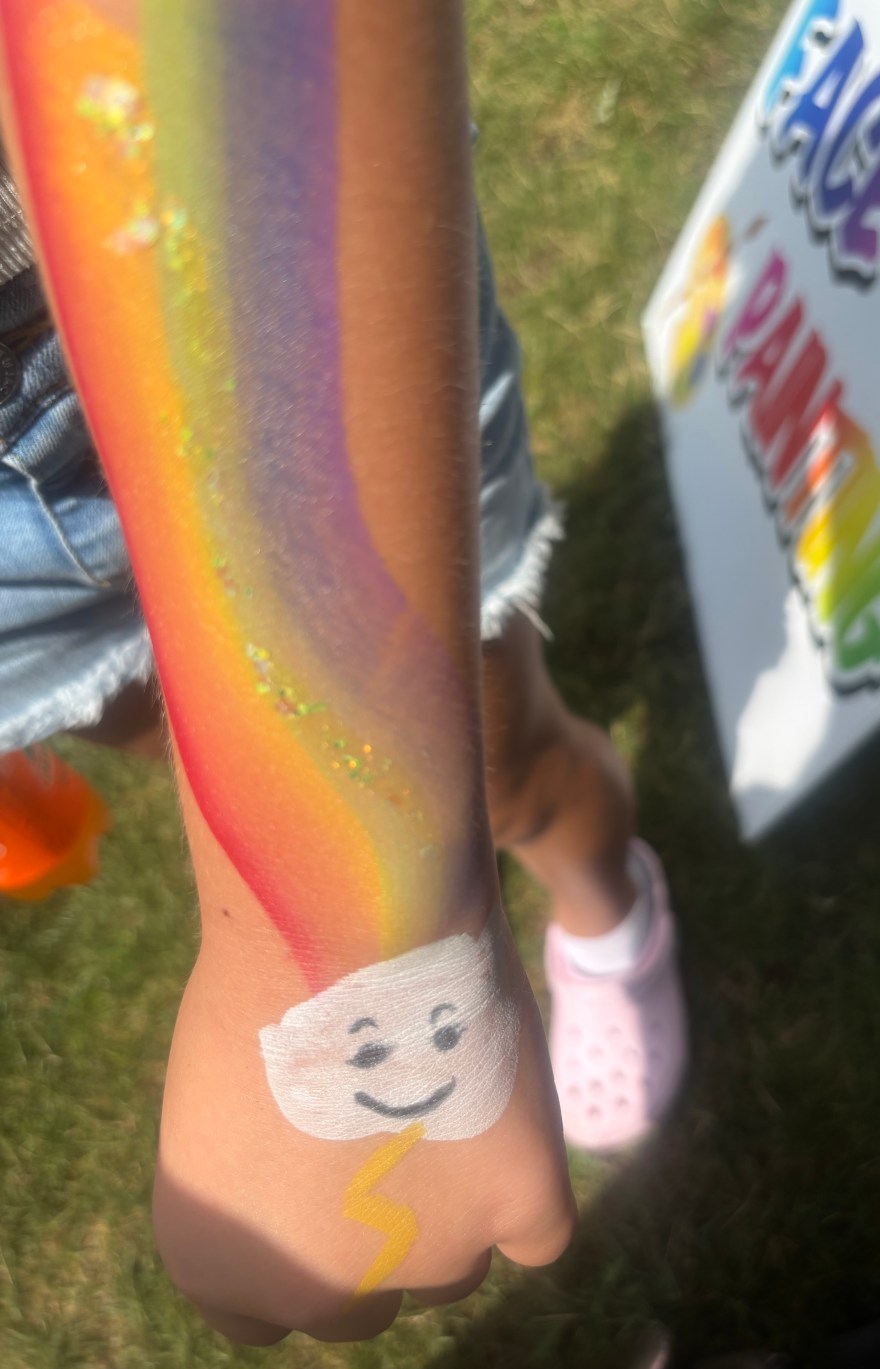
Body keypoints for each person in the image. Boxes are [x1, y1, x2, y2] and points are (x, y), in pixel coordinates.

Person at [0, 0, 687, 1344]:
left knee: (504, 765)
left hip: (226, 292)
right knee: (175, 738)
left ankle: (610, 904)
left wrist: (360, 954)